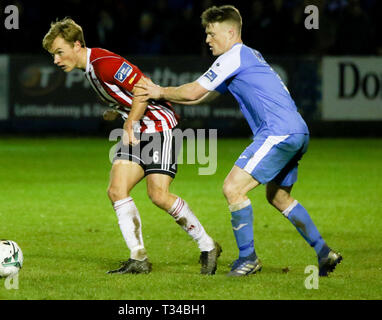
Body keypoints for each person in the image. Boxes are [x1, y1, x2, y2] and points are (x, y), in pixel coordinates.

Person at [135, 5, 342, 277]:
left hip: (278, 132)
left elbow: (195, 89)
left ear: (230, 32)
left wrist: (159, 90)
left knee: (233, 188)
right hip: (297, 131)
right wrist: (164, 98)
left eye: (211, 33)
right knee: (279, 197)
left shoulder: (234, 55)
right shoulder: (248, 56)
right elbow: (201, 96)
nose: (207, 40)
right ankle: (324, 252)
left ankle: (248, 259)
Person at [42, 18, 221, 275]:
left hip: (159, 127)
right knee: (117, 190)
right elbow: (126, 97)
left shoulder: (104, 63)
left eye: (60, 52)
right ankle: (138, 258)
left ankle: (207, 245)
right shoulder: (91, 69)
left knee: (158, 195)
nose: (56, 60)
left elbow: (142, 87)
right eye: (53, 55)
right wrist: (117, 113)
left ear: (77, 44)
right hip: (136, 130)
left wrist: (131, 121)